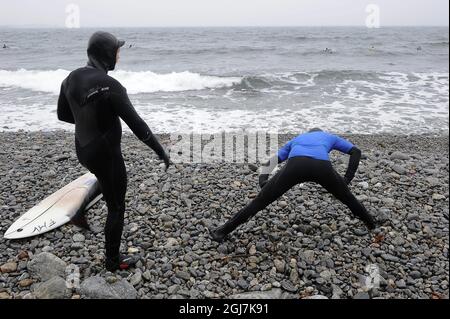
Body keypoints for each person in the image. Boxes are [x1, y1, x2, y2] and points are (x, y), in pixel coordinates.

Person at [57, 31, 170, 271]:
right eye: (117, 52)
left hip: (83, 150)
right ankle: (112, 261)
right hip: (106, 154)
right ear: (107, 55)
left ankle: (78, 211)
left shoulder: (70, 78)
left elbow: (63, 115)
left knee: (103, 180)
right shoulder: (110, 85)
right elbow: (137, 125)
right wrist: (160, 151)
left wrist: (88, 119)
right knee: (116, 206)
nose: (119, 56)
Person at [211, 128, 377, 242]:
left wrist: (264, 182)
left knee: (259, 202)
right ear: (320, 133)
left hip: (295, 165)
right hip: (322, 166)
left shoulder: (297, 139)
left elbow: (273, 161)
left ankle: (221, 231)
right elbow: (356, 152)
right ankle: (371, 224)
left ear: (308, 133)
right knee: (348, 198)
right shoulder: (329, 137)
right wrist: (346, 180)